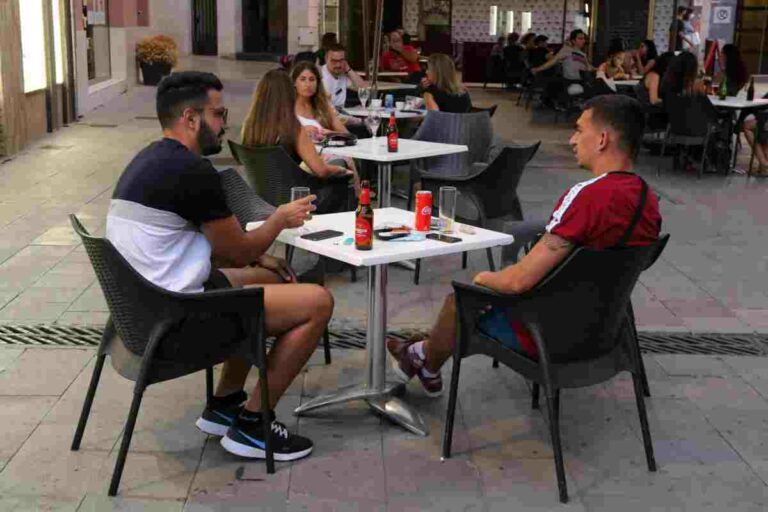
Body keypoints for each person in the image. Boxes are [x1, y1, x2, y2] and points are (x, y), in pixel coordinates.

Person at [106, 71, 333, 461]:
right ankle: (253, 425)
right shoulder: (193, 172)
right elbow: (238, 253)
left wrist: (258, 257)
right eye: (218, 114)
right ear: (191, 118)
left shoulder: (148, 160)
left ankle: (226, 403)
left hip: (145, 308)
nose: (225, 123)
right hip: (176, 322)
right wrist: (279, 218)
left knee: (273, 276)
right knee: (319, 302)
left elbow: (212, 248)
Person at [386, 95, 661, 396]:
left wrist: (481, 278)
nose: (572, 139)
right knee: (476, 296)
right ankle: (421, 355)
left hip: (544, 335)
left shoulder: (588, 196)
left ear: (603, 139)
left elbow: (517, 282)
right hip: (603, 333)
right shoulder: (648, 200)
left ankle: (420, 356)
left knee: (462, 298)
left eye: (579, 130)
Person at [241, 70, 353, 211]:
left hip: (261, 198)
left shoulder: (249, 127)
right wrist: (341, 169)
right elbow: (322, 171)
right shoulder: (294, 129)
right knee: (340, 167)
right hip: (299, 199)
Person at [292, 60, 360, 193]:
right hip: (303, 159)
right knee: (339, 164)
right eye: (303, 79)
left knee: (341, 162)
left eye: (312, 79)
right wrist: (302, 131)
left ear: (318, 83)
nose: (308, 84)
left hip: (327, 154)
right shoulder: (289, 108)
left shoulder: (323, 107)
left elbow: (347, 135)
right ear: (295, 82)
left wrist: (329, 133)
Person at [533, 29, 594, 97]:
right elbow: (552, 61)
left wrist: (597, 68)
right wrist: (537, 69)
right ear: (573, 40)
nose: (583, 41)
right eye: (580, 38)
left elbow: (589, 67)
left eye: (584, 39)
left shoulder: (583, 54)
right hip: (570, 81)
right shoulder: (566, 50)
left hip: (582, 81)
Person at [320, 43, 367, 109]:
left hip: (341, 112)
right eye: (334, 61)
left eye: (341, 60)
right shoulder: (319, 75)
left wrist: (348, 69)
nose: (338, 65)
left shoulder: (342, 73)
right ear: (326, 59)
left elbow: (363, 88)